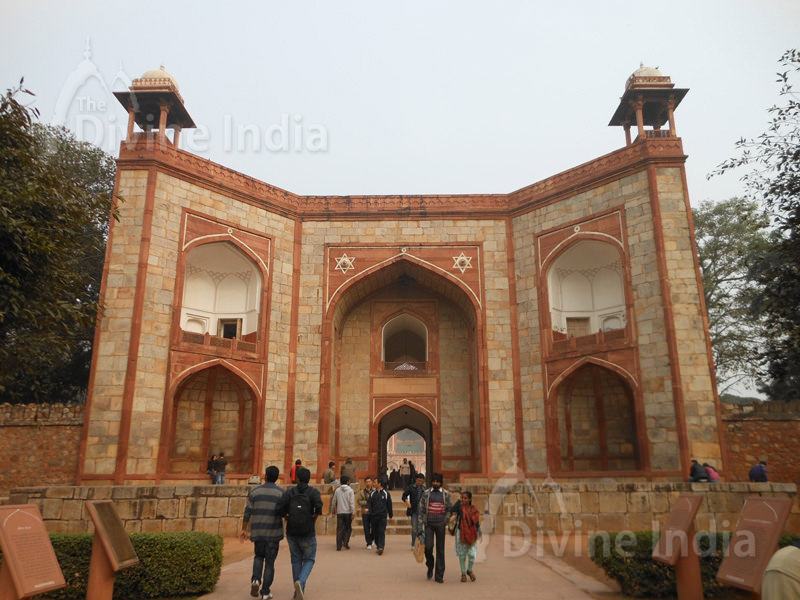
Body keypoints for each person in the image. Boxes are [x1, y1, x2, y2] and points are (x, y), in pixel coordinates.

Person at [276, 466, 322, 600]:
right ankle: (300, 583)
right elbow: (318, 508)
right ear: (309, 478)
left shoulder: (290, 493)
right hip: (307, 530)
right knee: (309, 559)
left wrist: (286, 516)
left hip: (292, 530)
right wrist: (313, 519)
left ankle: (297, 592)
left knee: (296, 560)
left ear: (297, 478)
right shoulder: (313, 492)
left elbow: (279, 508)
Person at [240, 465, 283, 600]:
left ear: (265, 476)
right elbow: (284, 512)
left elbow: (248, 512)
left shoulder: (255, 492)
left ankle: (255, 580)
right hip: (273, 532)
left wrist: (244, 529)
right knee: (270, 562)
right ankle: (265, 592)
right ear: (276, 477)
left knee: (258, 557)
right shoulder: (281, 493)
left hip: (258, 531)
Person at [419, 472, 453, 583]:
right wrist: (422, 523)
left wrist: (445, 520)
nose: (435, 483)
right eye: (434, 481)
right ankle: (430, 565)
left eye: (437, 481)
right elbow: (422, 508)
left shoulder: (446, 494)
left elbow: (449, 509)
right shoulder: (426, 493)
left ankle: (439, 575)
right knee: (428, 548)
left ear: (441, 483)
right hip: (429, 524)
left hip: (440, 524)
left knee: (440, 550)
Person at [452, 490, 481, 582]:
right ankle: (463, 573)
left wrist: (479, 532)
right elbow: (452, 510)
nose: (464, 500)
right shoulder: (459, 507)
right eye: (462, 498)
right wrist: (458, 501)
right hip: (461, 533)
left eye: (465, 498)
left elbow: (476, 522)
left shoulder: (474, 509)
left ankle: (469, 569)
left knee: (472, 554)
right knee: (462, 555)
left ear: (470, 499)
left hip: (472, 533)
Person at [366, 476, 393, 555]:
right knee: (375, 532)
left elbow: (389, 505)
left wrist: (391, 515)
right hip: (374, 516)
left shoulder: (386, 493)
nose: (373, 484)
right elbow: (369, 503)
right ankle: (378, 544)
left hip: (382, 516)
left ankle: (381, 547)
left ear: (379, 484)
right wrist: (367, 508)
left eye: (375, 482)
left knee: (381, 531)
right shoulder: (372, 493)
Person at [330, 475, 355, 551]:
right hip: (348, 512)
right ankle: (346, 542)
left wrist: (333, 510)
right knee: (348, 528)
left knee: (339, 529)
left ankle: (339, 546)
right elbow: (351, 503)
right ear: (347, 482)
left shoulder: (337, 490)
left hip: (340, 512)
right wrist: (353, 512)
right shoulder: (350, 490)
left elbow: (334, 501)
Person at [402, 473, 426, 549]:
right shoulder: (411, 487)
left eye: (421, 481)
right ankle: (413, 543)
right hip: (414, 511)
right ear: (416, 480)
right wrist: (407, 502)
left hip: (422, 512)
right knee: (414, 529)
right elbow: (404, 495)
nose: (420, 482)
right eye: (418, 480)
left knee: (421, 529)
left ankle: (421, 544)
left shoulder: (425, 489)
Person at [356, 476, 375, 549]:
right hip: (365, 512)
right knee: (366, 528)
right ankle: (368, 542)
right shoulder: (361, 492)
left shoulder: (375, 491)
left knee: (373, 528)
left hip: (373, 512)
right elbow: (359, 501)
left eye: (369, 482)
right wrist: (367, 503)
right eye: (367, 482)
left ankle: (372, 539)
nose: (368, 483)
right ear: (364, 483)